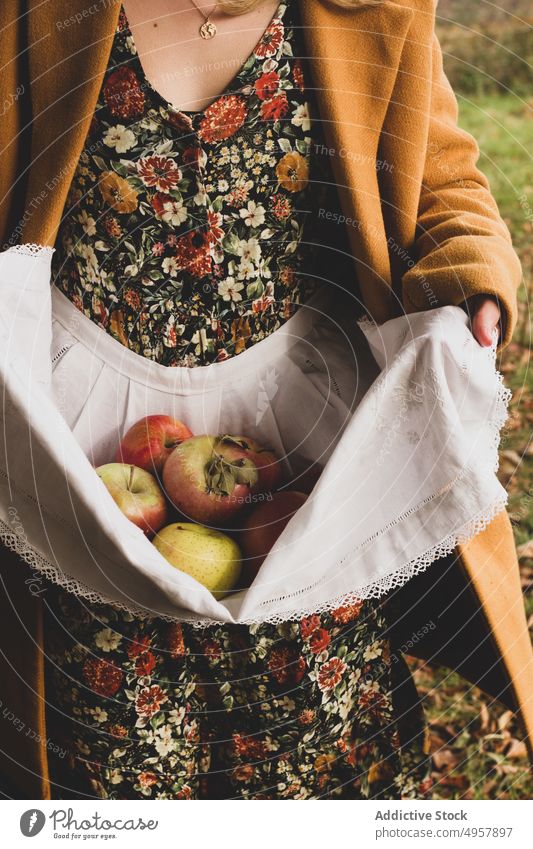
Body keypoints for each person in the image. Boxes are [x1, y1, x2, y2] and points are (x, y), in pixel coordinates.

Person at [0, 0, 531, 800]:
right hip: (86, 438)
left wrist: (470, 273)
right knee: (106, 745)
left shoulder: (374, 8)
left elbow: (440, 173)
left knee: (317, 722)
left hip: (302, 443)